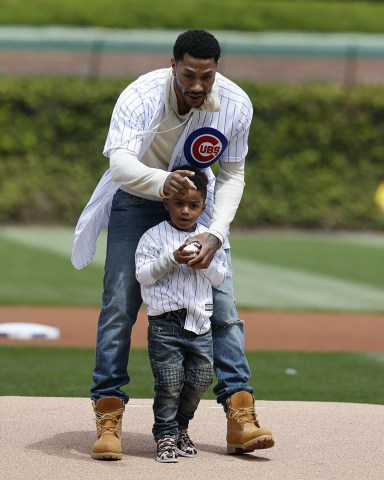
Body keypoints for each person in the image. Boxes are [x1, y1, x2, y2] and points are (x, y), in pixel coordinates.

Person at [71, 29, 275, 460]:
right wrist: (163, 181)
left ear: (216, 71)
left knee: (222, 306)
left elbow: (234, 174)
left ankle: (241, 415)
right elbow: (121, 162)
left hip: (199, 203)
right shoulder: (141, 95)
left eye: (207, 76)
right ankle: (108, 414)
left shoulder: (236, 104)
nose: (197, 86)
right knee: (119, 305)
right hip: (139, 194)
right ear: (173, 66)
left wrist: (215, 233)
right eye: (189, 75)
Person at [136, 166, 227, 463]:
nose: (185, 211)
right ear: (166, 203)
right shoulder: (153, 236)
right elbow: (143, 276)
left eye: (193, 205)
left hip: (200, 321)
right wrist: (172, 258)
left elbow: (220, 278)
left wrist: (206, 263)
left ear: (203, 206)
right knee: (169, 382)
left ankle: (180, 427)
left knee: (200, 379)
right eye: (179, 203)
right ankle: (164, 435)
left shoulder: (210, 239)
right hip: (165, 322)